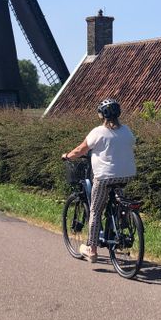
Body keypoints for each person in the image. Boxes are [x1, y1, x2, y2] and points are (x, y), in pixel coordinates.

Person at [62, 98, 136, 263]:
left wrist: (67, 156)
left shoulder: (98, 132)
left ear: (101, 115)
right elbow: (131, 143)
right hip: (126, 175)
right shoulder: (127, 131)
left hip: (104, 177)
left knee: (95, 211)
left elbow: (81, 150)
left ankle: (92, 249)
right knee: (119, 200)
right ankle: (121, 224)